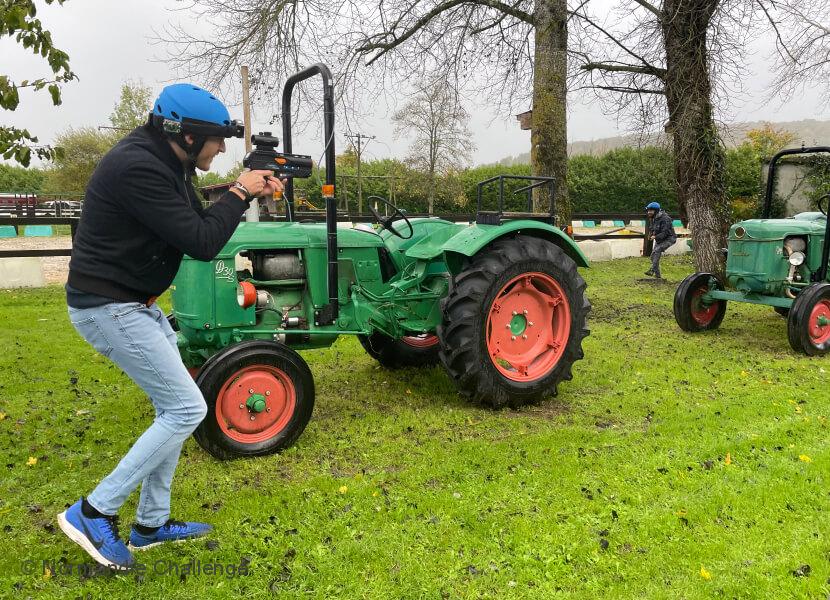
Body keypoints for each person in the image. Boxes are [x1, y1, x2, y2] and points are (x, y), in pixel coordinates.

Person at [58, 83, 282, 569]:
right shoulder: (138, 167)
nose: (221, 148)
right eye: (215, 139)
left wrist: (241, 193)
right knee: (186, 408)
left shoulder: (167, 163)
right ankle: (93, 512)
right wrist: (242, 189)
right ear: (186, 136)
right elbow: (202, 242)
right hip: (108, 306)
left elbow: (195, 222)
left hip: (133, 303)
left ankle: (150, 524)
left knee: (175, 406)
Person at [645, 201, 677, 279]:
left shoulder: (666, 219)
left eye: (651, 210)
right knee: (653, 256)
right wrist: (651, 233)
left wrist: (655, 237)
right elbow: (652, 228)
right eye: (648, 210)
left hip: (669, 238)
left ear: (656, 211)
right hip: (660, 239)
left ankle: (652, 270)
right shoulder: (653, 218)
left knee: (657, 250)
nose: (649, 212)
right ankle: (658, 277)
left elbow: (665, 232)